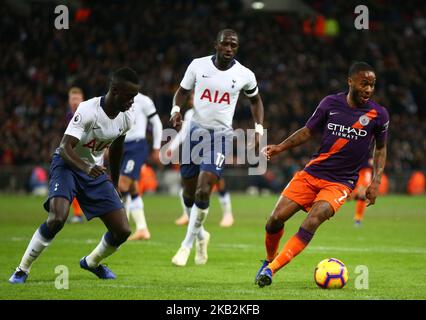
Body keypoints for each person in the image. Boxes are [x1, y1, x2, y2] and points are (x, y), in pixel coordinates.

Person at [255, 62, 389, 287]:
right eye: (364, 83)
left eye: (372, 85)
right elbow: (308, 131)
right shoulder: (330, 103)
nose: (368, 89)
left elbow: (382, 148)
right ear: (350, 82)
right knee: (274, 221)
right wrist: (280, 147)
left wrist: (375, 182)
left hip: (340, 183)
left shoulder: (379, 115)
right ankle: (268, 259)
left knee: (313, 220)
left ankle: (271, 269)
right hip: (311, 174)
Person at [9, 67, 140, 283]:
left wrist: (114, 184)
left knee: (122, 231)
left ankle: (91, 262)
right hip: (68, 165)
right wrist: (87, 168)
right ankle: (22, 269)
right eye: (129, 96)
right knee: (58, 218)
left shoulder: (127, 118)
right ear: (115, 90)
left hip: (94, 171)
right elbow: (64, 148)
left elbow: (117, 149)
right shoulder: (88, 109)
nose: (132, 102)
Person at [169, 29, 264, 266]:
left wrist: (259, 128)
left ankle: (186, 246)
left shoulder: (245, 74)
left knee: (203, 190)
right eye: (225, 44)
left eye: (234, 45)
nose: (229, 49)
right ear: (216, 45)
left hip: (221, 136)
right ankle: (201, 236)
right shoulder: (198, 66)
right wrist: (176, 110)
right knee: (189, 195)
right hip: (194, 132)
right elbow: (182, 91)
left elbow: (256, 100)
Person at [168, 101, 234, 228]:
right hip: (194, 149)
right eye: (192, 96)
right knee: (188, 182)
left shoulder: (216, 109)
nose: (193, 99)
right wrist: (173, 146)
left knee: (218, 180)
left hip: (214, 146)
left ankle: (227, 214)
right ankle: (187, 214)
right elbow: (184, 132)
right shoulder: (189, 113)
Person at [118, 92, 163, 241]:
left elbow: (157, 123)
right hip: (120, 146)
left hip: (136, 146)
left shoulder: (143, 100)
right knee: (132, 187)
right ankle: (142, 228)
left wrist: (157, 147)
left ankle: (119, 227)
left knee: (122, 185)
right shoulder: (117, 99)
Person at [66, 87, 86, 223]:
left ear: (82, 100)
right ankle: (77, 213)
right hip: (75, 155)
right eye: (72, 99)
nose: (75, 102)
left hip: (90, 154)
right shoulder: (68, 116)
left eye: (77, 99)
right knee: (72, 184)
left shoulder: (86, 114)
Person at [351, 157, 373, 226]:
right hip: (359, 170)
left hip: (366, 171)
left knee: (363, 195)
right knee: (361, 195)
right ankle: (358, 219)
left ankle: (358, 219)